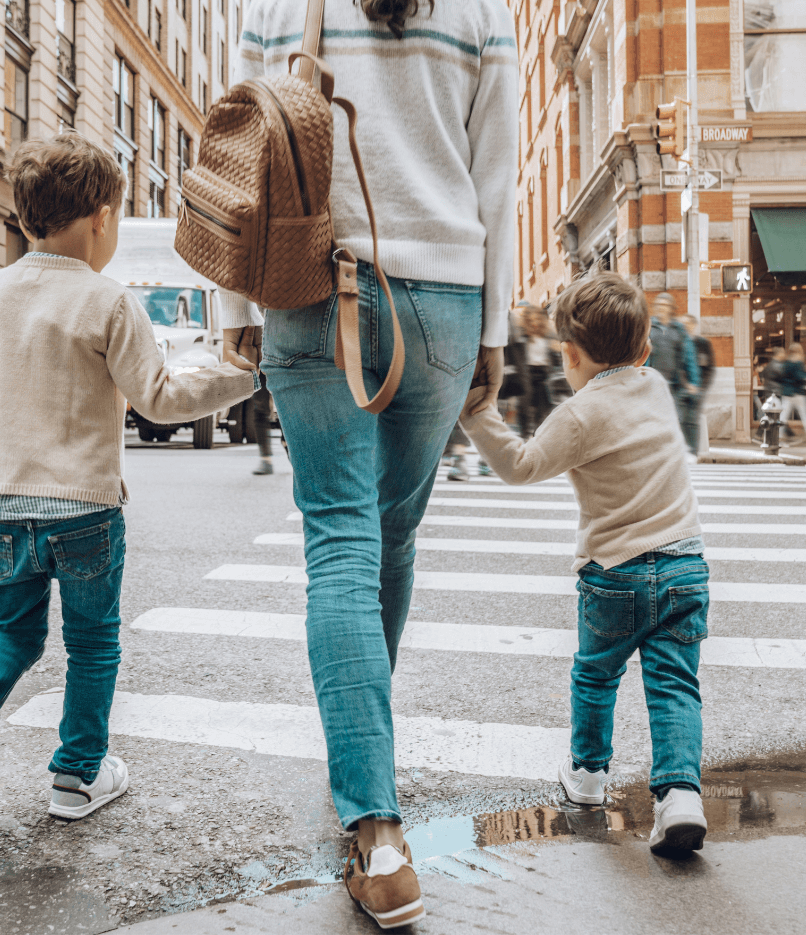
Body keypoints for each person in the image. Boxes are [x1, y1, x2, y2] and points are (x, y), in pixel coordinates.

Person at [233, 0, 517, 925]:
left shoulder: (276, 5)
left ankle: (377, 827)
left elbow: (244, 151)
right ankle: (370, 788)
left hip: (309, 282)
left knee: (342, 546)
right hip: (442, 298)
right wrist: (496, 325)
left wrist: (229, 306)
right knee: (388, 539)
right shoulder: (484, 11)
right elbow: (497, 177)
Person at [0, 132, 256, 850]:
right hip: (84, 508)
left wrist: (0, 453)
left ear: (21, 217)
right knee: (94, 643)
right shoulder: (107, 301)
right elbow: (160, 398)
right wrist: (237, 375)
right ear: (102, 217)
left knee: (14, 632)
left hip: (2, 502)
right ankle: (76, 774)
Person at [459, 272, 709, 858]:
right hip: (684, 567)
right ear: (645, 350)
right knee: (675, 686)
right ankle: (680, 795)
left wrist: (477, 413)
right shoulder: (655, 386)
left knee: (596, 675)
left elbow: (520, 466)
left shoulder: (580, 414)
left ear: (569, 354)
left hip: (615, 573)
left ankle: (589, 777)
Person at [219, 291, 275, 475]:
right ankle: (265, 458)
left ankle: (289, 447)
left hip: (276, 345)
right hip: (256, 347)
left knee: (286, 405)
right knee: (260, 407)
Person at [645, 293, 700, 456]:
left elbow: (690, 356)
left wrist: (694, 382)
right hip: (653, 383)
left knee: (677, 419)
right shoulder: (650, 328)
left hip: (675, 383)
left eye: (665, 305)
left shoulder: (679, 330)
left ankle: (674, 452)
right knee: (653, 419)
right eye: (659, 305)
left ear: (671, 309)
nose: (661, 308)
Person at [519, 306, 560, 437]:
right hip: (528, 374)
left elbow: (555, 359)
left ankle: (538, 436)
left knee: (543, 407)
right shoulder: (523, 338)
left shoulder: (547, 337)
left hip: (543, 375)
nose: (534, 322)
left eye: (537, 319)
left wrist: (555, 350)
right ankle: (524, 434)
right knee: (524, 406)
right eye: (531, 320)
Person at [681, 315, 713, 448]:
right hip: (681, 388)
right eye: (683, 324)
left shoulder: (703, 344)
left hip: (698, 389)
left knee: (693, 421)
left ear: (694, 325)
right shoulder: (679, 342)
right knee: (681, 420)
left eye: (687, 323)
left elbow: (709, 369)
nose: (684, 326)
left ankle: (693, 450)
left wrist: (701, 388)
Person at [778, 342, 806, 442]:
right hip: (798, 393)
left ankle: (779, 435)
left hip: (787, 393)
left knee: (783, 415)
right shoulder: (799, 362)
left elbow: (782, 376)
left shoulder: (786, 362)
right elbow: (801, 377)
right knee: (805, 415)